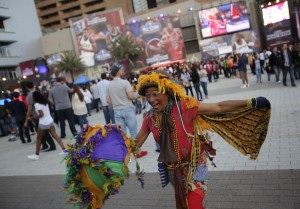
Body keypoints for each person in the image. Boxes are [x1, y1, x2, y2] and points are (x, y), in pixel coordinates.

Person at [134, 70, 271, 209]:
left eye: (155, 93)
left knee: (193, 205)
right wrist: (114, 141)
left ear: (167, 91)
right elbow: (136, 143)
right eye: (148, 95)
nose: (151, 99)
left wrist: (250, 102)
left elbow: (218, 107)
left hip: (196, 164)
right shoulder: (149, 117)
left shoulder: (184, 106)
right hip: (173, 171)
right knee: (185, 205)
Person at [106, 65, 147, 158]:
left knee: (122, 134)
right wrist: (139, 92)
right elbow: (131, 97)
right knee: (133, 132)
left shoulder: (108, 85)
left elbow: (108, 102)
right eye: (121, 70)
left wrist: (117, 102)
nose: (122, 71)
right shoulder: (125, 83)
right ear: (118, 72)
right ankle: (137, 152)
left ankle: (125, 154)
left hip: (117, 111)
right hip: (128, 110)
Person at [28, 91, 67, 160]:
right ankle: (64, 149)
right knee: (55, 135)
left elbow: (41, 114)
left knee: (39, 138)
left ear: (34, 97)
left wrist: (32, 118)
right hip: (50, 121)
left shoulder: (37, 104)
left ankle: (36, 154)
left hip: (43, 123)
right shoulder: (45, 101)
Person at [25, 81, 56, 151]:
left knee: (43, 131)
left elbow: (29, 108)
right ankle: (45, 144)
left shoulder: (30, 95)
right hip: (44, 114)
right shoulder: (38, 92)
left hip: (37, 115)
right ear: (33, 85)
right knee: (41, 131)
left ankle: (51, 145)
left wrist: (27, 118)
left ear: (27, 87)